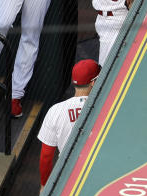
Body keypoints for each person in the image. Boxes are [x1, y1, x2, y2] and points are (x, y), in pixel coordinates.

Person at [37, 60, 101, 188]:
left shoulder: (55, 110)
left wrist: (44, 185)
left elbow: (46, 156)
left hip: (67, 174)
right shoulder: (106, 105)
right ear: (93, 82)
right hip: (98, 171)